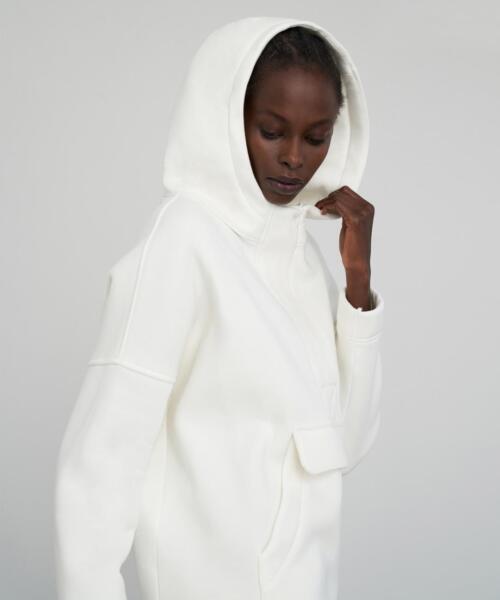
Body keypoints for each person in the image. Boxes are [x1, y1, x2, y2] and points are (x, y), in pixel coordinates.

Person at [54, 16, 385, 600]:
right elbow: (101, 464)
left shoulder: (306, 263)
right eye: (271, 130)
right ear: (229, 117)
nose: (293, 158)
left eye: (315, 138)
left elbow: (346, 444)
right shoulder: (183, 240)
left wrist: (357, 281)